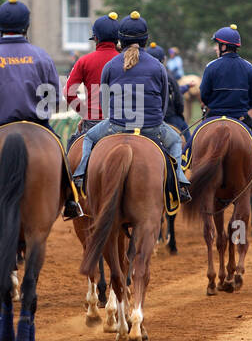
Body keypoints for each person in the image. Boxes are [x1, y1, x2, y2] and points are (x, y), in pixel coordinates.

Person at [0, 0, 80, 219]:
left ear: (0, 28)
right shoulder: (42, 56)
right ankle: (70, 198)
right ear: (26, 26)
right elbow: (54, 99)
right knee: (60, 150)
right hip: (37, 126)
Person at [71, 11, 191, 203]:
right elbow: (163, 102)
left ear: (121, 39)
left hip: (117, 124)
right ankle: (179, 181)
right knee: (176, 140)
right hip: (151, 126)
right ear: (145, 40)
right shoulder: (159, 66)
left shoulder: (110, 65)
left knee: (89, 138)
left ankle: (80, 175)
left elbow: (104, 101)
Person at [194, 24, 252, 170]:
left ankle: (186, 161)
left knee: (194, 139)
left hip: (214, 116)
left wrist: (211, 104)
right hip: (240, 117)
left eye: (217, 44)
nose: (215, 48)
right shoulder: (248, 67)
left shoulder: (211, 66)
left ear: (224, 47)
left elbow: (204, 95)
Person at [64, 12, 119, 131]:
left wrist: (85, 113)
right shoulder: (126, 60)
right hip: (122, 122)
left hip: (93, 123)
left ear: (96, 38)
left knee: (71, 145)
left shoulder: (84, 61)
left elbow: (68, 92)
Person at [147, 42, 188, 137]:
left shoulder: (141, 75)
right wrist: (179, 113)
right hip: (169, 116)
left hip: (147, 117)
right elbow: (178, 98)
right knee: (188, 140)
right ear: (164, 59)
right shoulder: (168, 75)